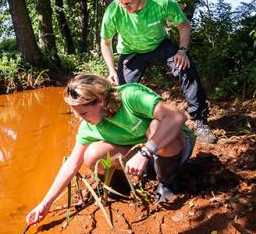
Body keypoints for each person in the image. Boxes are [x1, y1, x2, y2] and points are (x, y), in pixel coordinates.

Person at [25, 73, 195, 226]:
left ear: (100, 100)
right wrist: (45, 204)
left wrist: (146, 151)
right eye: (76, 114)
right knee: (93, 155)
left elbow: (177, 117)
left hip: (175, 147)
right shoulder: (88, 127)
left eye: (83, 113)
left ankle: (168, 183)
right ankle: (121, 188)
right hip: (145, 159)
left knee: (155, 126)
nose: (79, 119)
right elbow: (71, 165)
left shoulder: (130, 95)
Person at [100, 0, 217, 144]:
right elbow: (105, 42)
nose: (125, 8)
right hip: (131, 51)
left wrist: (182, 51)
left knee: (186, 66)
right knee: (122, 91)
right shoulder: (114, 11)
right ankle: (133, 130)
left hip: (160, 45)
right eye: (121, 3)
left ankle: (200, 122)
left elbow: (184, 25)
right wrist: (110, 70)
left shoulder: (161, 1)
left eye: (129, 3)